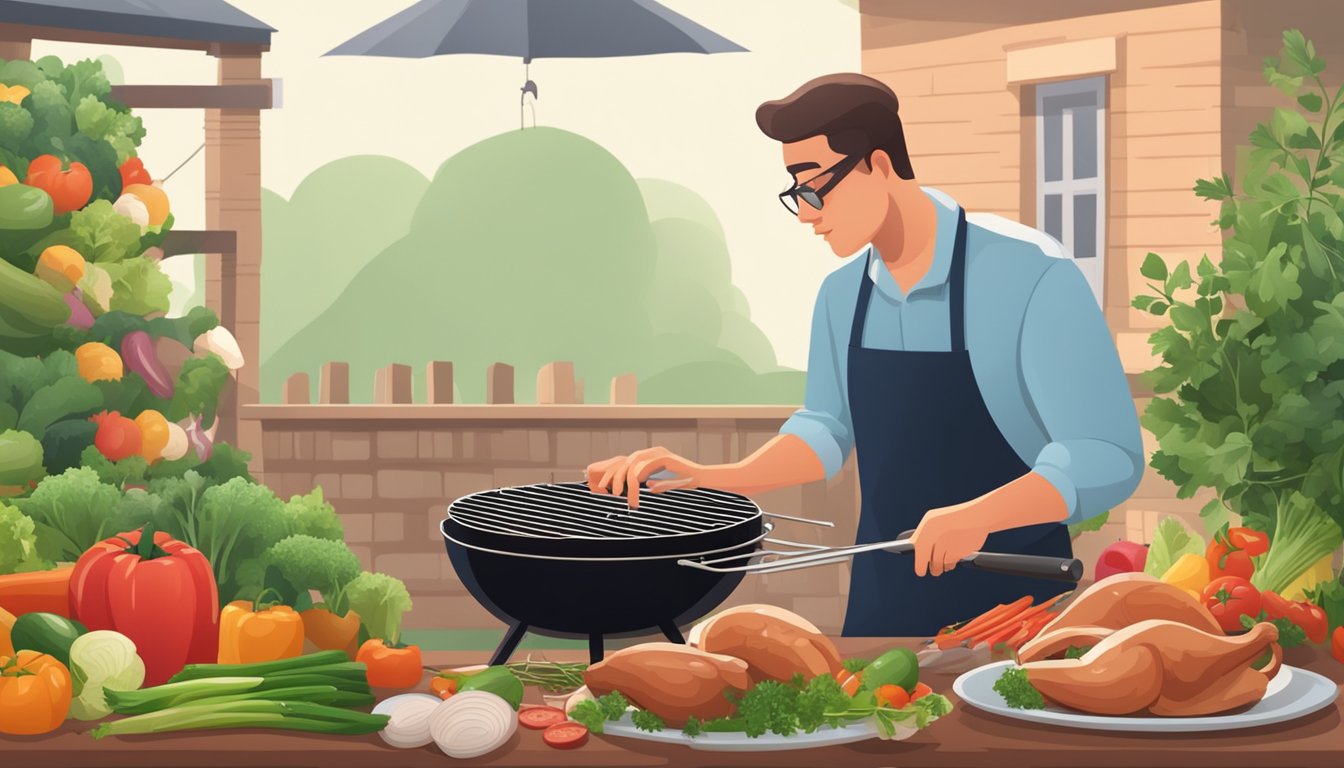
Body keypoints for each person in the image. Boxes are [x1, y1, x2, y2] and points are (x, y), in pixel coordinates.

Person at [585, 73, 1144, 636]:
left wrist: (980, 516)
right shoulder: (841, 294)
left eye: (814, 186)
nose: (806, 213)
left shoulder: (1031, 274)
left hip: (1014, 607)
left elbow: (1107, 454)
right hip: (883, 603)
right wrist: (718, 478)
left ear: (877, 164)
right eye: (795, 194)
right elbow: (825, 431)